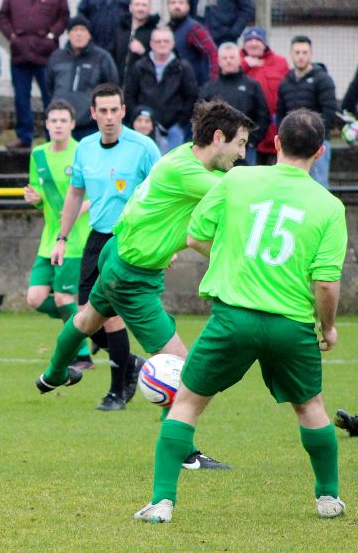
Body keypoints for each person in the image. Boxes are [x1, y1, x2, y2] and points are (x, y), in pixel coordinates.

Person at [134, 109, 345, 523]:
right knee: (311, 406)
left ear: (277, 144)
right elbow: (326, 285)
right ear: (320, 152)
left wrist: (231, 261)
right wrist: (329, 327)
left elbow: (195, 235)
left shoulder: (238, 179)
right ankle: (328, 498)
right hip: (292, 325)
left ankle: (161, 503)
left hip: (233, 320)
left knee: (188, 403)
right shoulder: (329, 206)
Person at [39, 100, 250, 475]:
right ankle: (185, 453)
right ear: (218, 138)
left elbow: (175, 218)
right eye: (241, 144)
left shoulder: (183, 156)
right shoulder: (191, 171)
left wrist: (166, 243)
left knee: (87, 319)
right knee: (184, 367)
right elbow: (242, 195)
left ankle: (53, 375)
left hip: (119, 252)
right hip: (133, 276)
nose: (243, 153)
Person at [35, 84, 159, 411]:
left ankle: (117, 392)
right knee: (85, 318)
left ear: (122, 110)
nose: (108, 117)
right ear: (92, 113)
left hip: (129, 242)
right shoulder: (86, 148)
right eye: (101, 111)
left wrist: (167, 242)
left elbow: (164, 195)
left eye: (113, 110)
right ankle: (130, 362)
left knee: (111, 317)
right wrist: (61, 238)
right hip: (96, 239)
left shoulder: (143, 147)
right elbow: (76, 194)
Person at [24, 100, 94, 368]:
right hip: (48, 240)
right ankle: (90, 326)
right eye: (53, 120)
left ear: (72, 124)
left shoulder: (83, 152)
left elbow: (95, 194)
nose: (58, 125)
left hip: (75, 241)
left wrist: (82, 207)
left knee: (65, 297)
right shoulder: (38, 155)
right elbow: (41, 199)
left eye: (63, 120)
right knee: (35, 298)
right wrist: (35, 199)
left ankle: (83, 355)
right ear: (46, 124)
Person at [0, 0, 69, 150]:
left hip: (47, 56)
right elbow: (3, 16)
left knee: (50, 98)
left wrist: (51, 36)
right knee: (21, 97)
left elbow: (64, 17)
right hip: (20, 55)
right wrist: (12, 36)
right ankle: (24, 137)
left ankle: (52, 138)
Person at [124, 27, 199, 154]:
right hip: (144, 128)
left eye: (166, 41)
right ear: (151, 44)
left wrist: (180, 124)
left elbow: (192, 97)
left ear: (172, 43)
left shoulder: (183, 68)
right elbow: (130, 95)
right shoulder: (139, 67)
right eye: (158, 41)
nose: (162, 44)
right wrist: (138, 119)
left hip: (173, 130)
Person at [46, 15, 120, 139]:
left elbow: (112, 88)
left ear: (89, 34)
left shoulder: (102, 58)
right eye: (75, 30)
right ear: (68, 34)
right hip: (61, 125)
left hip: (89, 126)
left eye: (83, 30)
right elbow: (49, 86)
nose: (78, 34)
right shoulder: (56, 57)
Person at [277, 36, 336, 188]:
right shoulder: (285, 82)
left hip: (318, 143)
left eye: (304, 52)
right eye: (297, 52)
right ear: (291, 54)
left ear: (311, 54)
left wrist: (315, 137)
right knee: (291, 186)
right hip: (291, 145)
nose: (301, 56)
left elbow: (329, 113)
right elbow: (280, 114)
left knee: (318, 185)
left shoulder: (323, 79)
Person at [201, 43, 270, 163]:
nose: (228, 61)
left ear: (239, 59)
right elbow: (201, 117)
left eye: (232, 57)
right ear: (219, 61)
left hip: (246, 148)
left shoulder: (252, 85)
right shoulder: (209, 88)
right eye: (225, 58)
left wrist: (252, 140)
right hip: (217, 148)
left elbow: (263, 115)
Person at [240, 27, 288, 165]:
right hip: (247, 132)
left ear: (265, 43)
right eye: (250, 40)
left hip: (274, 131)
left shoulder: (280, 63)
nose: (254, 43)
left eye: (258, 40)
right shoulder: (235, 60)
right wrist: (245, 65)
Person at [167, 0, 219, 87]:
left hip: (194, 86)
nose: (176, 6)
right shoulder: (168, 29)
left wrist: (213, 82)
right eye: (173, 3)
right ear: (168, 7)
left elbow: (212, 52)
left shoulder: (194, 28)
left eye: (181, 2)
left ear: (188, 7)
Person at [110, 0, 159, 84]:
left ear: (150, 9)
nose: (140, 8)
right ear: (130, 7)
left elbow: (160, 62)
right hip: (118, 83)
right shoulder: (121, 30)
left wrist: (144, 52)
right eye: (137, 4)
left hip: (142, 85)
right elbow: (111, 54)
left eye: (144, 5)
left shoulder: (155, 33)